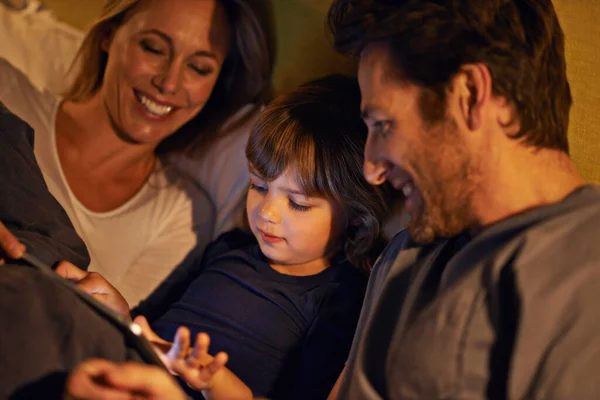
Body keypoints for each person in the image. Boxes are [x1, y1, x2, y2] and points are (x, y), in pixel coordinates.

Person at [0, 75, 393, 399]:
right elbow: (147, 324)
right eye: (258, 186)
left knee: (31, 281)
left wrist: (212, 380)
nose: (267, 213)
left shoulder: (339, 294)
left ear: (356, 218)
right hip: (124, 358)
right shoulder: (229, 247)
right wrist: (118, 312)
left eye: (298, 204)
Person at [323, 0, 600, 399]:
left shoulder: (581, 281)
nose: (371, 170)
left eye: (383, 125)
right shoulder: (406, 254)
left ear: (469, 95)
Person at [0, 0, 274, 305]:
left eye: (198, 68)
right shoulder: (7, 94)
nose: (168, 83)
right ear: (107, 35)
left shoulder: (182, 217)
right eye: (153, 48)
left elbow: (95, 330)